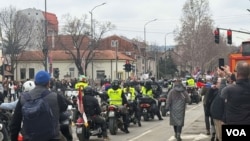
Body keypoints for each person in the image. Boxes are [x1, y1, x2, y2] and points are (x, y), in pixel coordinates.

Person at [10, 70, 68, 141]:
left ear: (35, 82)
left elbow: (15, 123)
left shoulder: (23, 98)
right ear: (48, 83)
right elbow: (64, 108)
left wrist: (13, 138)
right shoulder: (56, 97)